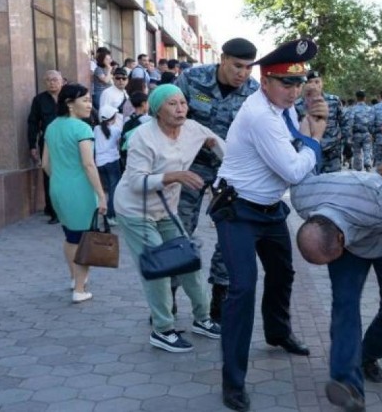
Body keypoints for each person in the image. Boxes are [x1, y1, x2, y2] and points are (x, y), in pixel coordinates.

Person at [212, 39, 328, 411]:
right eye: (285, 83)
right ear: (265, 82)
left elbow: (294, 144)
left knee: (282, 273)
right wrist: (316, 138)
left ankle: (278, 332)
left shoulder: (282, 108)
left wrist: (309, 122)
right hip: (239, 211)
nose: (293, 91)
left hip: (269, 208)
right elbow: (294, 168)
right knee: (243, 289)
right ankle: (233, 381)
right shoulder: (261, 115)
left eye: (298, 83)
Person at [291, 170, 382, 412]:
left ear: (339, 239)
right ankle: (347, 384)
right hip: (348, 240)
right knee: (344, 307)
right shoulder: (301, 197)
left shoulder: (380, 205)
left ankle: (368, 354)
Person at [113, 84, 224, 353]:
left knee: (189, 261)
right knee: (159, 269)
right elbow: (137, 182)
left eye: (183, 103)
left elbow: (218, 144)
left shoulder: (192, 129)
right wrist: (176, 176)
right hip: (135, 209)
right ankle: (162, 330)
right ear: (157, 110)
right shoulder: (143, 136)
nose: (180, 109)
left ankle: (203, 319)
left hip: (166, 209)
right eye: (172, 104)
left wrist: (226, 166)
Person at [173, 38, 260, 323]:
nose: (243, 74)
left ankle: (220, 298)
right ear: (222, 59)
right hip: (191, 166)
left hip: (231, 171)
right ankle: (167, 297)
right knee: (179, 231)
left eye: (248, 68)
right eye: (237, 66)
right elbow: (167, 115)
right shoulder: (192, 78)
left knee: (230, 234)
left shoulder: (254, 92)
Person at [41, 83, 107, 303]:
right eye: (85, 100)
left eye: (90, 100)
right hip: (80, 190)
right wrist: (101, 194)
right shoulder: (82, 129)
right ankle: (79, 289)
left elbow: (45, 164)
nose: (90, 105)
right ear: (70, 104)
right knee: (83, 240)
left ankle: (73, 279)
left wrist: (61, 178)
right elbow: (89, 165)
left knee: (70, 237)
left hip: (58, 187)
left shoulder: (51, 126)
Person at [28, 70, 64, 224]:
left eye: (55, 79)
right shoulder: (39, 100)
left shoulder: (68, 97)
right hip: (47, 143)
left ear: (61, 81)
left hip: (67, 142)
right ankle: (53, 211)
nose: (52, 82)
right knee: (49, 176)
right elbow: (32, 122)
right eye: (48, 80)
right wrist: (32, 145)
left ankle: (66, 208)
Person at [295, 70, 347, 173]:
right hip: (310, 152)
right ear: (305, 85)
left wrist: (347, 144)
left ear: (322, 83)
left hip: (332, 153)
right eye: (310, 82)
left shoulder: (334, 101)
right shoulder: (298, 105)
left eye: (317, 82)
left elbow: (343, 122)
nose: (314, 85)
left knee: (334, 184)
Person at [94, 105, 123, 226]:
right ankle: (111, 216)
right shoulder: (116, 130)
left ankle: (106, 214)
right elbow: (119, 144)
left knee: (107, 190)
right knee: (113, 190)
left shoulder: (95, 128)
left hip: (99, 163)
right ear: (113, 118)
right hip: (112, 162)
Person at [347, 90, 374, 171]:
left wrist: (349, 135)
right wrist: (372, 133)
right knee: (367, 149)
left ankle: (358, 168)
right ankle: (367, 165)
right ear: (365, 98)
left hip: (356, 134)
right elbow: (372, 122)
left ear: (356, 98)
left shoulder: (353, 109)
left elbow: (350, 122)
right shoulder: (369, 109)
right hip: (367, 133)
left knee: (357, 152)